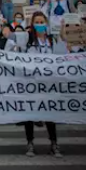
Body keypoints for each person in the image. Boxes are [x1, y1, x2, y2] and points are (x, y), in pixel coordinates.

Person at [23, 12, 62, 157]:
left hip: (48, 82)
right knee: (29, 113)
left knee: (50, 113)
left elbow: (60, 57)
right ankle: (30, 143)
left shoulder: (52, 40)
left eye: (41, 21)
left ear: (46, 23)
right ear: (32, 24)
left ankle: (54, 143)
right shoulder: (28, 39)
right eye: (36, 22)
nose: (39, 24)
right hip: (31, 82)